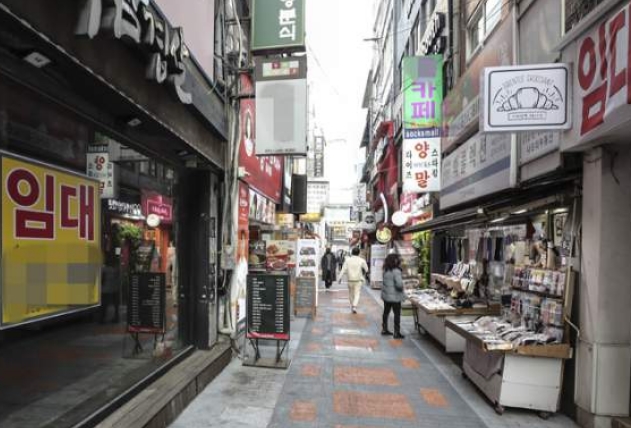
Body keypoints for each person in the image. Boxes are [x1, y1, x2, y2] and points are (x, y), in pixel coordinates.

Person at [381, 253, 405, 339]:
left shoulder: (385, 270)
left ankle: (384, 329)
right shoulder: (396, 271)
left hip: (386, 296)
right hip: (395, 297)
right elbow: (399, 285)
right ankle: (396, 332)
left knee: (386, 312)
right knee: (397, 314)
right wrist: (403, 286)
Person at [338, 247, 369, 313]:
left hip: (350, 279)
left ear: (352, 252)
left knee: (351, 294)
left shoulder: (347, 260)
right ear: (359, 253)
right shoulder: (361, 260)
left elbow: (343, 269)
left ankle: (352, 305)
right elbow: (366, 269)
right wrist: (365, 272)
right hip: (358, 280)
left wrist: (339, 278)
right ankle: (354, 306)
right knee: (357, 293)